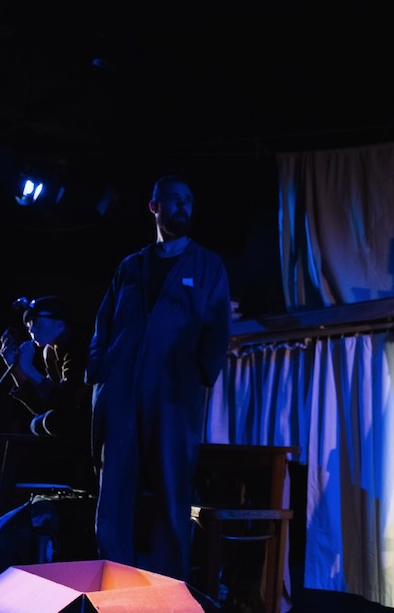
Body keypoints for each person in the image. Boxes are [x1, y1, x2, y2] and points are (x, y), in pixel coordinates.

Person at [86, 175, 232, 579]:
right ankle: (113, 579)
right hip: (120, 389)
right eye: (174, 199)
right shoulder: (131, 266)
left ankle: (168, 587)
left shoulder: (207, 266)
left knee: (172, 487)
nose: (183, 206)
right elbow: (103, 322)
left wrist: (200, 376)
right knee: (114, 487)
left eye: (188, 200)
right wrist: (99, 369)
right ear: (155, 207)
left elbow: (217, 327)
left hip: (173, 392)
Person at [0, 295, 92, 446]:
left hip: (95, 412)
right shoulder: (49, 351)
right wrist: (15, 367)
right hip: (68, 414)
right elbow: (44, 404)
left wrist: (29, 369)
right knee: (38, 423)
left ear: (59, 323)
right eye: (28, 326)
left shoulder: (81, 344)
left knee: (51, 421)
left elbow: (67, 400)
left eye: (35, 322)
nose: (31, 330)